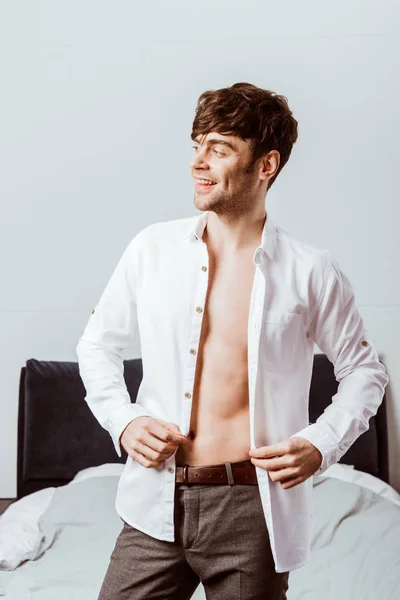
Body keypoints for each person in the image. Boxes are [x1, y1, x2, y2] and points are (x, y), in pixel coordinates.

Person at [76, 82, 389, 600]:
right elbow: (96, 345)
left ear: (266, 165)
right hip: (154, 499)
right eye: (196, 144)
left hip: (252, 510)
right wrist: (124, 420)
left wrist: (321, 442)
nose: (198, 161)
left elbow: (364, 370)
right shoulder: (151, 249)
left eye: (219, 148)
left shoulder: (311, 271)